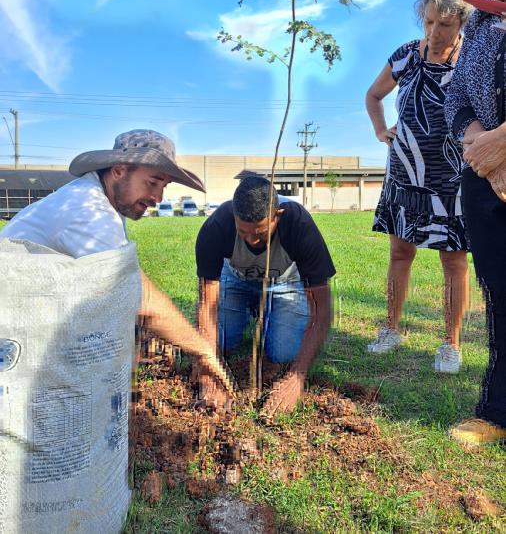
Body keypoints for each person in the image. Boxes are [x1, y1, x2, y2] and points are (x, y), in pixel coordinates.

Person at [0, 129, 232, 390]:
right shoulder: (89, 210)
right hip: (14, 332)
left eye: (163, 187)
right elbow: (139, 298)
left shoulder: (103, 201)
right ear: (119, 170)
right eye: (152, 182)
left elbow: (119, 282)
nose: (158, 198)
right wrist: (203, 350)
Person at [365, 0, 473, 373]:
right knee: (399, 251)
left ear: (461, 22)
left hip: (453, 178)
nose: (434, 31)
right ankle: (390, 329)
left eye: (444, 24)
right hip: (404, 174)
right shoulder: (406, 55)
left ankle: (451, 344)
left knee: (453, 261)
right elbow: (373, 95)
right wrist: (381, 130)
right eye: (429, 22)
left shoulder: (470, 59)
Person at [431, 0, 506, 447]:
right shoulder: (479, 24)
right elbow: (458, 101)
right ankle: (497, 409)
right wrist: (480, 141)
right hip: (485, 185)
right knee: (501, 298)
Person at [195, 176, 335, 415]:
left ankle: (268, 308)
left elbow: (321, 313)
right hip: (236, 280)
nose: (251, 240)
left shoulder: (299, 226)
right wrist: (208, 375)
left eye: (260, 233)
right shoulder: (217, 226)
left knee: (284, 354)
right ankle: (248, 306)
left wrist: (297, 378)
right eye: (243, 233)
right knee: (223, 341)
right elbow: (207, 304)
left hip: (283, 283)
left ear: (277, 216)